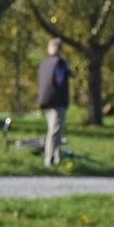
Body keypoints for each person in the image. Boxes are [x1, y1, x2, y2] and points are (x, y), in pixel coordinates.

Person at [37, 38, 71, 169]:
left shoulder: (44, 63)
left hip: (45, 101)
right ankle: (50, 159)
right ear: (60, 49)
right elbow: (60, 80)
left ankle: (57, 157)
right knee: (55, 131)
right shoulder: (60, 64)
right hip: (57, 101)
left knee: (52, 130)